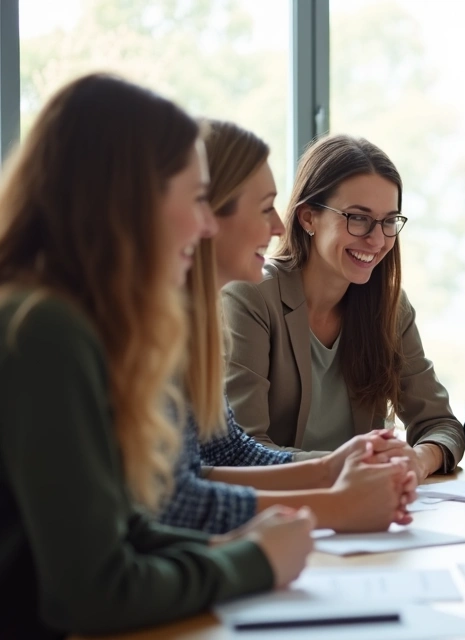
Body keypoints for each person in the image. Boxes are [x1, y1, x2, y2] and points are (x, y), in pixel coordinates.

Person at [0, 74, 312, 640]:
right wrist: (254, 561)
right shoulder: (43, 330)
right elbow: (97, 589)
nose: (204, 223)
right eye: (195, 198)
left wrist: (238, 543)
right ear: (130, 198)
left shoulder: (62, 319)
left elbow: (123, 528)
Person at [159, 119, 418, 534]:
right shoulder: (154, 329)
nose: (279, 227)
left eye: (389, 221)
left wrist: (333, 467)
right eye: (265, 208)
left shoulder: (186, 324)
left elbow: (221, 455)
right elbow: (169, 501)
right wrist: (333, 505)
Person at [223, 135, 465, 478]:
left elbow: (442, 425)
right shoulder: (250, 297)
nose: (377, 239)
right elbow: (242, 449)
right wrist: (352, 466)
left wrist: (418, 459)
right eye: (358, 218)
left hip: (365, 504)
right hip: (281, 506)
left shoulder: (391, 307)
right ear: (308, 218)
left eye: (388, 221)